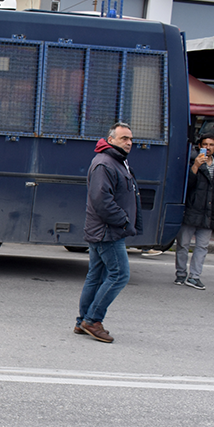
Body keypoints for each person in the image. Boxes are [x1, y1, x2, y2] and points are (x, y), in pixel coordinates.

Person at [75, 122, 142, 344]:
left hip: (105, 230)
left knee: (96, 276)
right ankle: (92, 320)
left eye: (130, 139)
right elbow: (102, 201)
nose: (129, 142)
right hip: (108, 232)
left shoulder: (116, 161)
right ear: (111, 140)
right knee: (120, 275)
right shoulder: (105, 163)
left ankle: (83, 321)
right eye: (124, 138)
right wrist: (123, 221)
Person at [175, 134, 214, 290]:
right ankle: (181, 273)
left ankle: (194, 276)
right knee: (183, 244)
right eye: (205, 144)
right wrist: (195, 167)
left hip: (208, 211)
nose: (208, 147)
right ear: (200, 146)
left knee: (202, 247)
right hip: (192, 209)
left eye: (211, 145)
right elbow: (186, 186)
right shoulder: (192, 161)